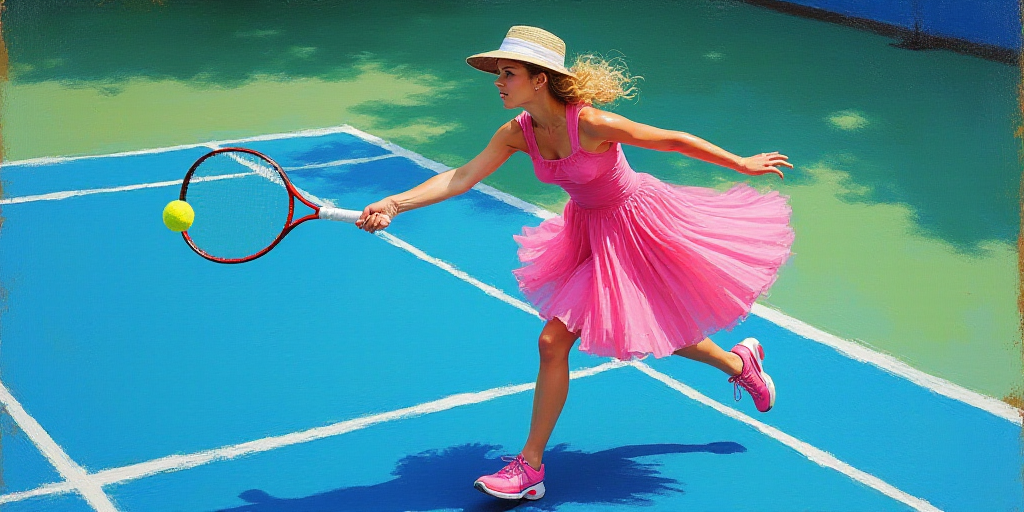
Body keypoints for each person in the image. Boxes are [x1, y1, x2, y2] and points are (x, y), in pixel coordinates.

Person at [356, 26, 795, 502]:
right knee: (645, 324)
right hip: (586, 233)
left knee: (565, 338)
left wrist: (741, 163)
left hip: (640, 224)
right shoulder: (515, 133)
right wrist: (395, 204)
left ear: (540, 79)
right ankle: (739, 362)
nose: (498, 82)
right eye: (499, 74)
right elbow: (462, 176)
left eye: (509, 73)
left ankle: (529, 467)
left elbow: (672, 140)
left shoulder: (591, 124)